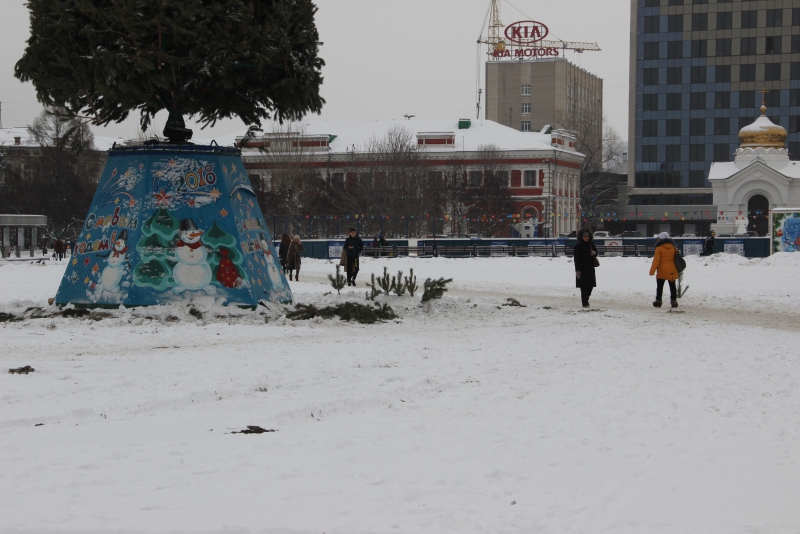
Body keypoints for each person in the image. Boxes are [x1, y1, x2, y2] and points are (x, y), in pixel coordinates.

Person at [650, 231, 680, 308]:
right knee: (672, 287)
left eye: (658, 238)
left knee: (660, 287)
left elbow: (656, 261)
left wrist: (652, 271)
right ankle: (674, 302)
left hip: (662, 270)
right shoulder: (673, 247)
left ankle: (658, 301)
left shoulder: (659, 248)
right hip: (672, 271)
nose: (657, 240)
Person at [573, 227, 598, 308]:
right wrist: (578, 270)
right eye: (584, 236)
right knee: (583, 288)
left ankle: (586, 300)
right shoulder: (578, 246)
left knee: (590, 287)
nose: (586, 238)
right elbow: (576, 259)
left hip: (590, 269)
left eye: (587, 236)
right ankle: (585, 304)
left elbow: (596, 252)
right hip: (582, 270)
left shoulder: (591, 244)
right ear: (581, 237)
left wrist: (594, 253)